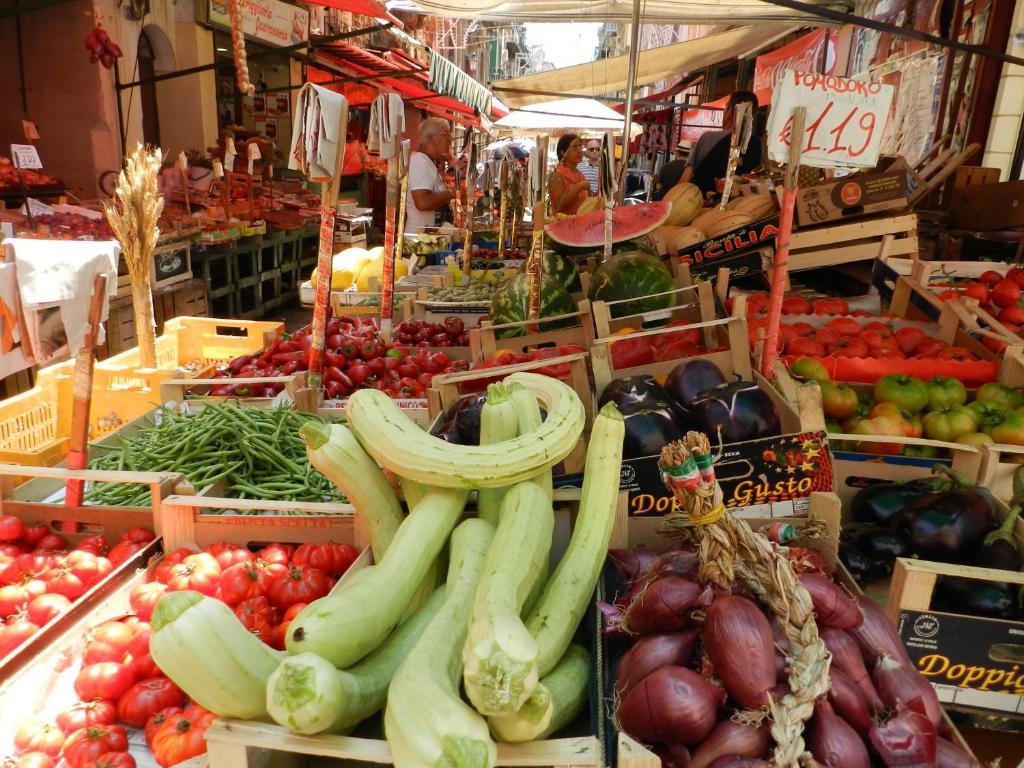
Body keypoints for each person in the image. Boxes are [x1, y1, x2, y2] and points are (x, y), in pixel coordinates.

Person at [681, 91, 762, 198]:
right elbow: (759, 181)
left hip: (701, 203)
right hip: (738, 207)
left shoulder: (709, 138)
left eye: (726, 108)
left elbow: (687, 175)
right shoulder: (758, 144)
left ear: (730, 110)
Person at [406, 117, 457, 233]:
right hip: (420, 242)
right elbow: (422, 202)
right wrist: (451, 193)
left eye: (450, 134)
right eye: (445, 134)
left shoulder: (428, 161)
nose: (450, 139)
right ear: (430, 138)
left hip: (429, 240)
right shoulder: (420, 161)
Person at [549, 134, 590, 215]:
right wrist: (579, 187)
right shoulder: (557, 175)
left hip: (580, 225)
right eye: (574, 147)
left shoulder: (581, 175)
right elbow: (559, 205)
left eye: (580, 146)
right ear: (563, 153)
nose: (579, 151)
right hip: (562, 225)